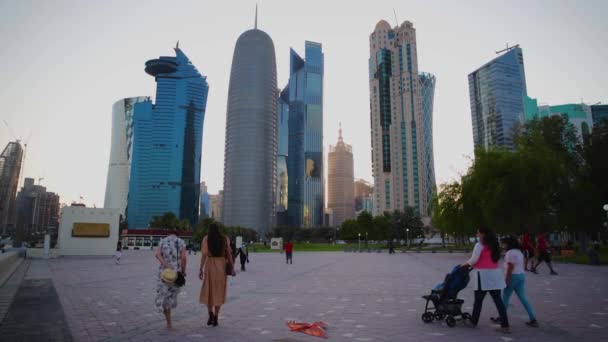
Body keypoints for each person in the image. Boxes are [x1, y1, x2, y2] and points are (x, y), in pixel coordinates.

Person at [461, 227, 510, 333]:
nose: (477, 234)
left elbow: (474, 260)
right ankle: (505, 325)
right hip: (495, 275)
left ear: (483, 234)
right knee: (498, 301)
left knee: (478, 301)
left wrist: (463, 265)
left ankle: (473, 322)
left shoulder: (479, 245)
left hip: (483, 276)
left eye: (478, 232)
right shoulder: (494, 245)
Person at [492, 236, 538, 327]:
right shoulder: (519, 252)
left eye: (504, 243)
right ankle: (533, 319)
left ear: (508, 244)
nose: (503, 245)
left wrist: (506, 281)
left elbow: (510, 268)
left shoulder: (510, 253)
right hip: (521, 276)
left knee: (505, 298)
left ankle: (502, 317)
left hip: (513, 276)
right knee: (523, 298)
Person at [199, 223, 236, 327]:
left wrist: (200, 269)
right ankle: (216, 317)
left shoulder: (206, 238)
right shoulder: (225, 239)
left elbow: (204, 254)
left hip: (210, 265)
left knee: (209, 290)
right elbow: (229, 253)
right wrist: (232, 268)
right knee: (219, 291)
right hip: (221, 265)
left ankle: (210, 313)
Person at [154, 232, 187, 329]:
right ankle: (169, 319)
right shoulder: (181, 242)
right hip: (176, 274)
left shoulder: (162, 241)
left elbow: (157, 254)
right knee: (171, 297)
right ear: (177, 234)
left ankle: (168, 321)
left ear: (168, 233)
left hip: (164, 274)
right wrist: (183, 271)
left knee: (163, 297)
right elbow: (184, 258)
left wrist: (165, 264)